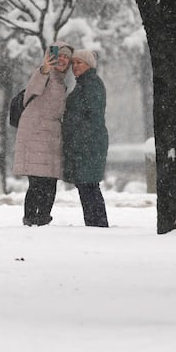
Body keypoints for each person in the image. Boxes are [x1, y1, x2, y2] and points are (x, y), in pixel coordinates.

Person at [13, 41, 74, 226]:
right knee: (38, 181)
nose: (63, 60)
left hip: (50, 137)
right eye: (60, 55)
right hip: (36, 134)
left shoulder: (61, 81)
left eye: (66, 57)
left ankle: (43, 218)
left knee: (50, 182)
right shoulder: (44, 74)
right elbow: (33, 88)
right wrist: (45, 68)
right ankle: (31, 218)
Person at [63, 49, 109, 227]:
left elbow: (92, 116)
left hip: (88, 144)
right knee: (87, 186)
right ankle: (95, 224)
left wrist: (78, 136)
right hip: (85, 143)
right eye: (73, 63)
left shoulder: (91, 85)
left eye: (79, 63)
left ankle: (97, 225)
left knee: (88, 186)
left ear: (89, 65)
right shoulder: (84, 83)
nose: (75, 66)